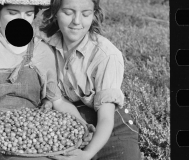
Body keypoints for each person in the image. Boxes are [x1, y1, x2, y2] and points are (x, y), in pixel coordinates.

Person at [0, 0, 93, 160]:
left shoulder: (42, 52)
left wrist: (81, 124)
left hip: (32, 134)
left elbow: (58, 101)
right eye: (13, 13)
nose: (21, 21)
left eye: (28, 14)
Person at [40, 0, 141, 159]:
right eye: (68, 13)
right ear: (55, 13)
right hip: (72, 121)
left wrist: (86, 154)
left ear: (94, 15)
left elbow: (107, 117)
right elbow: (57, 99)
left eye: (85, 14)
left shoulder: (106, 55)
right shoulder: (46, 48)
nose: (77, 21)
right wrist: (48, 100)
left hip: (111, 126)